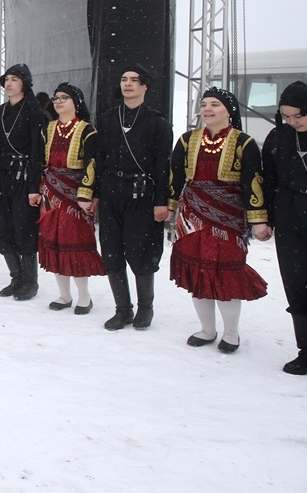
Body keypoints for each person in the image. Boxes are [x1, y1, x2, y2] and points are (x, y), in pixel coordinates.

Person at [168, 88, 270, 353]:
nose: (207, 109)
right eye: (204, 104)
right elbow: (175, 176)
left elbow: (253, 183)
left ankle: (231, 333)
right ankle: (207, 330)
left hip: (228, 219)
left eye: (215, 104)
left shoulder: (244, 143)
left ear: (229, 111)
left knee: (226, 274)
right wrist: (168, 206)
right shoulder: (187, 140)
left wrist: (258, 220)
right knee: (198, 272)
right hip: (192, 217)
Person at [89, 63, 173, 331]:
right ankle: (123, 309)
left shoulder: (157, 122)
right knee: (111, 251)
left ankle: (145, 308)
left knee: (141, 253)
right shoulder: (107, 118)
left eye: (134, 80)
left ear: (145, 86)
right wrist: (95, 194)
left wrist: (161, 201)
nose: (127, 83)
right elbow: (99, 158)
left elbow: (163, 165)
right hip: (111, 191)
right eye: (124, 79)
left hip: (142, 193)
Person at [262, 82, 307, 375]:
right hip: (290, 218)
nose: (294, 122)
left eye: (299, 116)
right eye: (287, 117)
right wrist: (265, 218)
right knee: (297, 285)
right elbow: (268, 180)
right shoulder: (279, 137)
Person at [0, 63, 49, 301]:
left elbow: (38, 152)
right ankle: (16, 278)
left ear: (24, 83)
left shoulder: (35, 112)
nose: (9, 84)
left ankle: (30, 282)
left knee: (24, 229)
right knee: (3, 228)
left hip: (24, 175)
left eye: (14, 79)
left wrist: (34, 187)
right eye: (7, 80)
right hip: (3, 175)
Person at [38, 83, 104, 314]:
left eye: (64, 97)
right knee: (53, 241)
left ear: (76, 102)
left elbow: (92, 164)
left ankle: (84, 296)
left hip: (75, 195)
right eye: (56, 97)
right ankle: (64, 295)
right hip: (50, 193)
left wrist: (86, 194)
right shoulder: (49, 128)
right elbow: (39, 160)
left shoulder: (87, 130)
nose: (58, 101)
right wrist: (37, 188)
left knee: (74, 244)